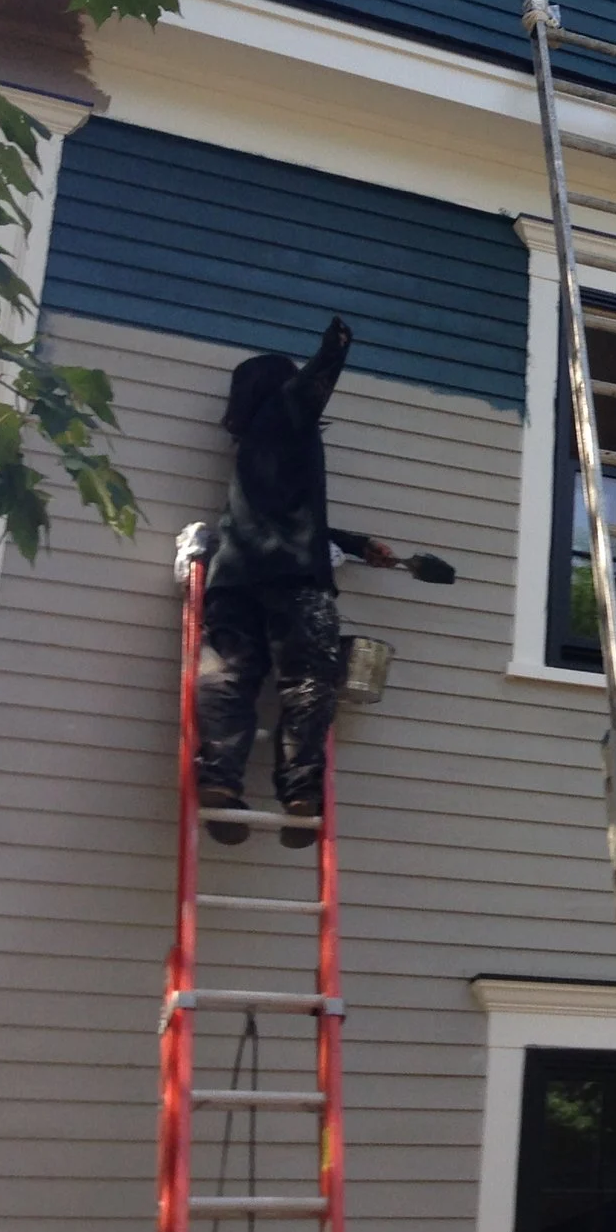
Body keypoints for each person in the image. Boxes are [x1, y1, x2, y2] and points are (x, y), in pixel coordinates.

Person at [195, 316, 400, 846]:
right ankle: (301, 792)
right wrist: (336, 347)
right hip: (293, 580)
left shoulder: (253, 451)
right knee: (308, 682)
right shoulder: (285, 416)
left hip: (235, 577)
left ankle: (218, 781)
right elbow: (309, 388)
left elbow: (286, 517)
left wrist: (354, 545)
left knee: (229, 681)